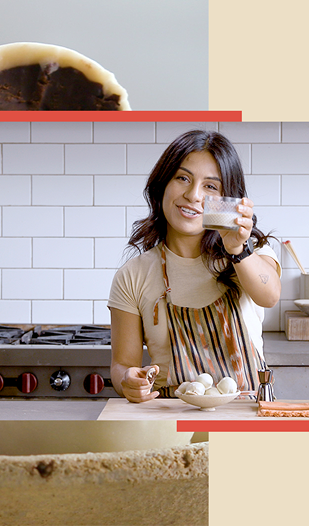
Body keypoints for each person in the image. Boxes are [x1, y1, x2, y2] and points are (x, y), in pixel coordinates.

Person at [108, 130, 282, 403]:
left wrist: (237, 250)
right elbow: (121, 364)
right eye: (183, 178)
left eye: (210, 186)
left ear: (227, 199)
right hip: (169, 419)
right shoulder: (133, 275)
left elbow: (269, 295)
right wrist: (128, 380)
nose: (193, 195)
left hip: (245, 416)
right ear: (163, 183)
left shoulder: (252, 252)